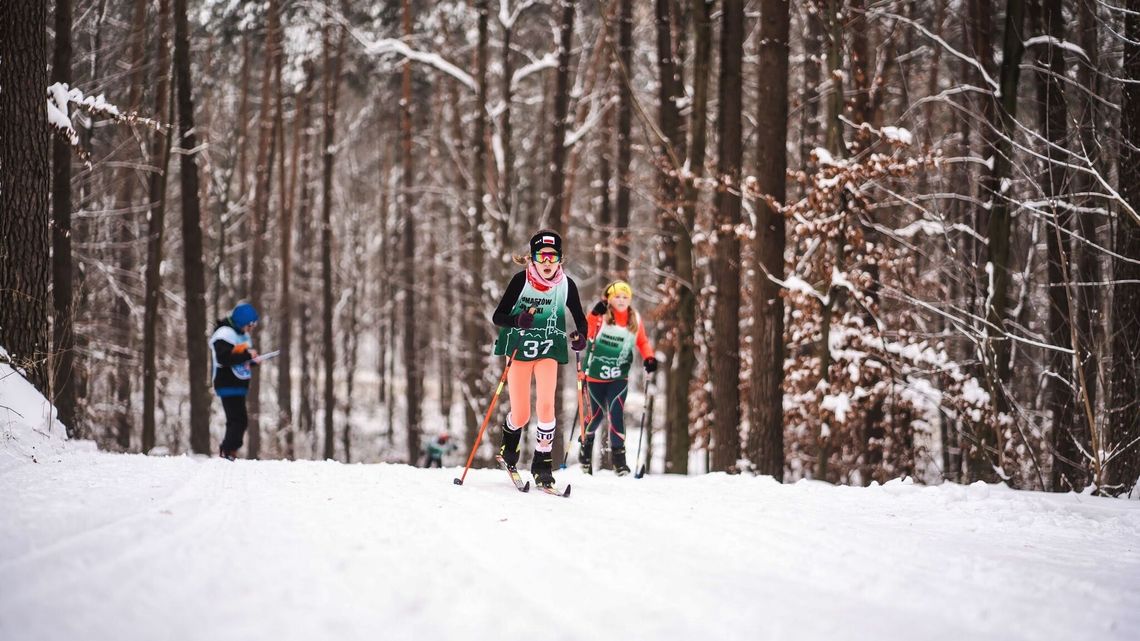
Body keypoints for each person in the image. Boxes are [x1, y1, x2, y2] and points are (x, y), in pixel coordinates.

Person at [491, 229, 587, 488]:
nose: (547, 263)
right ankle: (508, 450)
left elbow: (580, 318)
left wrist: (581, 336)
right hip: (520, 350)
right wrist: (516, 320)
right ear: (532, 258)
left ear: (560, 260)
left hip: (548, 350)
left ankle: (542, 464)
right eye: (541, 257)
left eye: (552, 257)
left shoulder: (566, 285)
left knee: (546, 408)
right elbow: (498, 316)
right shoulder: (520, 281)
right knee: (521, 414)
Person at [578, 280, 657, 476]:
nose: (621, 300)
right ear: (608, 298)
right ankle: (585, 452)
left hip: (618, 377)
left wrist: (649, 357)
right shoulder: (601, 316)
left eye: (625, 297)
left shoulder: (634, 318)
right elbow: (586, 334)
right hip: (595, 376)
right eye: (617, 296)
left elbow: (642, 341)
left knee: (616, 415)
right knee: (595, 418)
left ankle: (619, 462)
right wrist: (594, 314)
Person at [210, 302, 260, 460]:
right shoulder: (224, 334)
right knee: (238, 419)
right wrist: (247, 356)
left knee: (238, 420)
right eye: (249, 325)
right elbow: (224, 358)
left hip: (238, 384)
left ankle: (229, 450)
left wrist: (252, 360)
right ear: (241, 322)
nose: (251, 329)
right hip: (227, 383)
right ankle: (227, 450)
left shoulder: (242, 335)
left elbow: (240, 358)